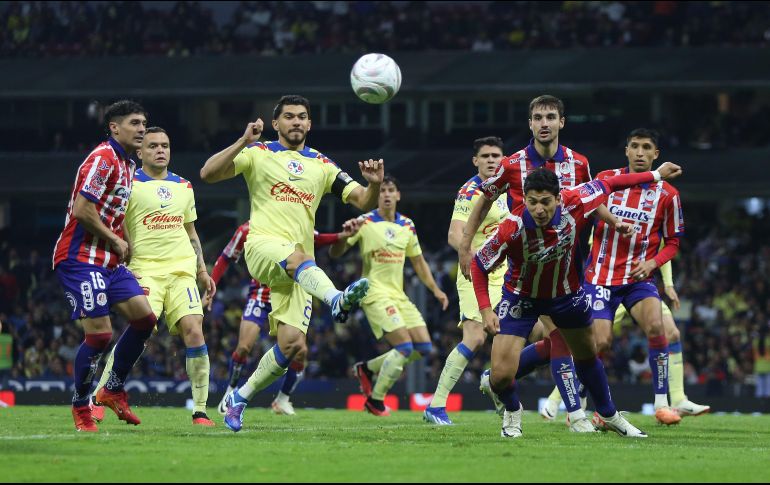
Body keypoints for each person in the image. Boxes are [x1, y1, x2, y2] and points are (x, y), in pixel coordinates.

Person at [200, 94, 384, 432]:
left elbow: (361, 200)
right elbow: (207, 173)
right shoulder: (259, 153)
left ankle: (240, 397)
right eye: (288, 116)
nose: (296, 122)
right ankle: (336, 299)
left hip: (302, 268)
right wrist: (243, 140)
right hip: (264, 247)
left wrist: (373, 186)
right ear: (276, 123)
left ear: (310, 123)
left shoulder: (323, 164)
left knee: (292, 346)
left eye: (302, 116)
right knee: (297, 257)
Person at [471, 162, 684, 439]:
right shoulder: (511, 228)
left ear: (558, 198)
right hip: (522, 299)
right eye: (533, 202)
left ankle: (609, 415)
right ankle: (512, 409)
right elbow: (479, 265)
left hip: (566, 296)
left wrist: (656, 175)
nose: (539, 209)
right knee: (499, 377)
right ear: (525, 199)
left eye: (546, 202)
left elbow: (612, 184)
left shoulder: (577, 201)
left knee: (588, 353)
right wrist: (486, 310)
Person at [458, 95, 624, 424]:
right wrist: (466, 246)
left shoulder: (579, 162)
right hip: (529, 265)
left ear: (562, 122)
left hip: (571, 262)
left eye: (550, 117)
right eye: (538, 117)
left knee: (584, 341)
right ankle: (575, 415)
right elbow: (483, 200)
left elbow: (589, 196)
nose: (544, 123)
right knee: (563, 338)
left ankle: (503, 379)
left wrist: (614, 221)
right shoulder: (512, 164)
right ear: (530, 123)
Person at [91, 127, 218, 426]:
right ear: (140, 152)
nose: (160, 150)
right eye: (153, 146)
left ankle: (200, 411)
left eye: (165, 145)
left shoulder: (184, 186)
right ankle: (100, 394)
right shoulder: (128, 184)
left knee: (195, 330)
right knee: (141, 329)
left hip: (182, 272)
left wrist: (202, 270)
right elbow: (113, 223)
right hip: (145, 269)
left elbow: (191, 232)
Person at [582, 129, 706, 425]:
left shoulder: (668, 195)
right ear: (626, 151)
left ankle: (662, 404)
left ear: (656, 155)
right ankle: (594, 408)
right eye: (634, 147)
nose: (639, 152)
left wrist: (652, 263)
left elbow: (673, 241)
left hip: (638, 279)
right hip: (600, 277)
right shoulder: (608, 177)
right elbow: (588, 202)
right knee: (599, 344)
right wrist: (612, 220)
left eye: (646, 147)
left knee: (656, 326)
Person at [52, 100, 157, 432]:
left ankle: (111, 388)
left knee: (145, 319)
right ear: (115, 127)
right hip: (80, 259)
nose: (142, 129)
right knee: (99, 335)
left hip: (109, 263)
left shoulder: (127, 164)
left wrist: (125, 242)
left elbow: (115, 212)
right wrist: (114, 240)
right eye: (135, 123)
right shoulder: (103, 159)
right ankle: (82, 407)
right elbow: (83, 209)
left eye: (145, 123)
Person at [212, 219, 364, 416]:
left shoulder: (292, 220)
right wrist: (211, 285)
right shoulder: (247, 229)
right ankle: (230, 391)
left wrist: (341, 236)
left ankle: (282, 399)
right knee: (243, 346)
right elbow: (226, 256)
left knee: (299, 349)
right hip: (261, 296)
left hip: (288, 293)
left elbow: (317, 239)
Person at [331, 175, 449, 416]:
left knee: (424, 346)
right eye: (382, 190)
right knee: (404, 347)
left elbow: (419, 262)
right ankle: (376, 400)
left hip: (398, 295)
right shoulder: (364, 221)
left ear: (398, 195)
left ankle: (367, 369)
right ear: (377, 195)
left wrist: (436, 290)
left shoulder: (407, 225)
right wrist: (342, 237)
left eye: (390, 190)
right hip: (373, 292)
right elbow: (336, 252)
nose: (385, 194)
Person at [422, 136, 510, 425]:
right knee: (475, 336)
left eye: (496, 155)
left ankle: (494, 383)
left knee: (523, 333)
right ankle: (436, 406)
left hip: (507, 271)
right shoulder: (470, 191)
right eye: (485, 156)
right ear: (475, 161)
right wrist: (474, 259)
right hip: (476, 271)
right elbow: (454, 234)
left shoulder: (510, 186)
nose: (491, 160)